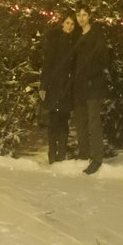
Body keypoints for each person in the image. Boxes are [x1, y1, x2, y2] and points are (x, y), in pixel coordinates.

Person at [73, 5, 109, 175]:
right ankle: (84, 153)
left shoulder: (96, 36)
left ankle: (96, 158)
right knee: (80, 121)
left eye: (84, 15)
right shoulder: (76, 35)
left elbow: (102, 59)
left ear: (89, 16)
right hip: (78, 86)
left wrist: (90, 76)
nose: (81, 18)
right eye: (78, 15)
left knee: (94, 122)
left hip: (93, 85)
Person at [39, 12, 76, 164]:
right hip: (54, 85)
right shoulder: (55, 41)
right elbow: (47, 64)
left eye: (72, 24)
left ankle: (61, 154)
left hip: (68, 86)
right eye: (67, 23)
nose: (70, 26)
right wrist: (43, 86)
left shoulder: (75, 41)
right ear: (62, 24)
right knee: (54, 119)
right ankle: (52, 154)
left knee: (64, 120)